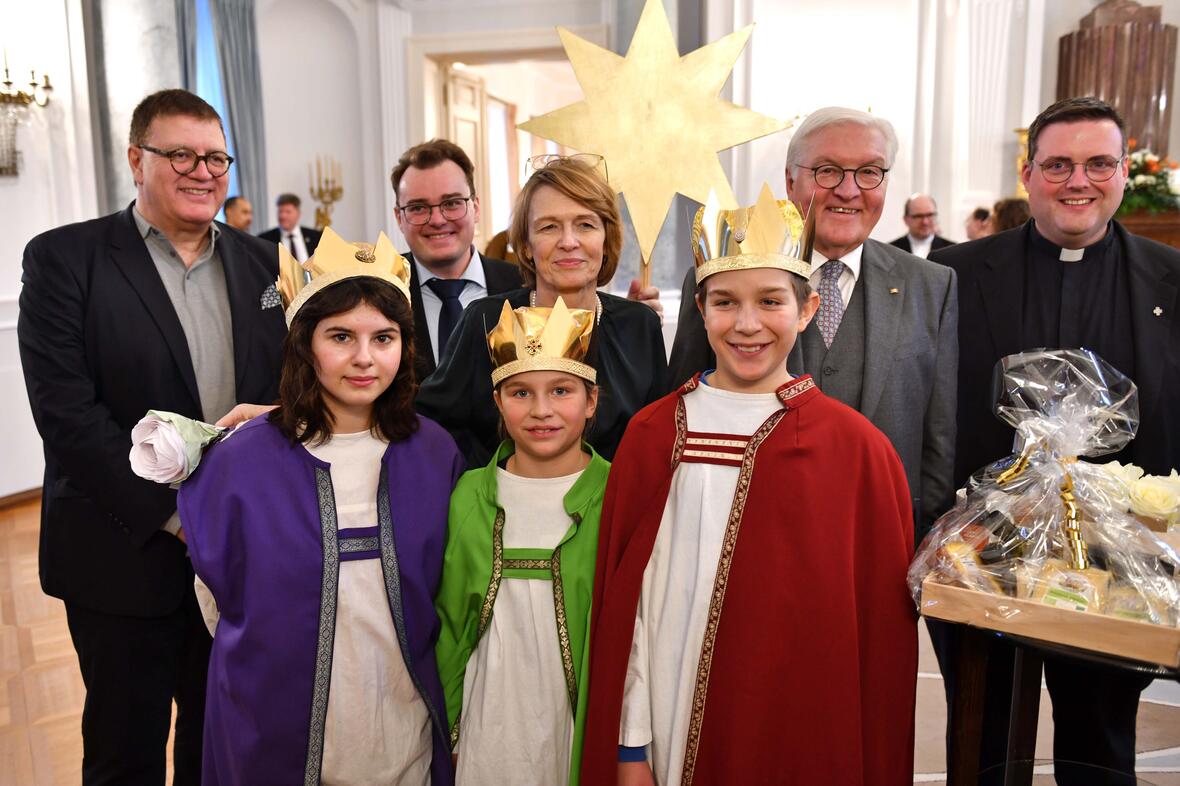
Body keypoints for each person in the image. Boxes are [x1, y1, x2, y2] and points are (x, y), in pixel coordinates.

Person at [581, 185, 918, 786]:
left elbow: (877, 648)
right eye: (724, 303)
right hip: (666, 711)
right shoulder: (655, 434)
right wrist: (629, 746)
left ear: (807, 309)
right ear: (700, 310)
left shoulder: (857, 451)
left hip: (798, 730)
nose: (747, 325)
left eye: (770, 301)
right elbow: (627, 612)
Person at [17, 88, 286, 785]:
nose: (203, 171)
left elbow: (292, 391)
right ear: (136, 159)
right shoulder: (65, 259)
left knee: (219, 743)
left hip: (236, 556)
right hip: (120, 553)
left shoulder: (266, 268)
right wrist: (175, 517)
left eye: (216, 157)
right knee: (123, 753)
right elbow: (67, 414)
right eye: (180, 155)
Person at [931, 96, 1180, 786]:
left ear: (1126, 171)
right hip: (977, 552)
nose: (1080, 181)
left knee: (1099, 744)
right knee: (979, 739)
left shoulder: (1173, 281)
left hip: (1119, 560)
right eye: (1059, 164)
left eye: (1099, 163)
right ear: (1028, 172)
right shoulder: (952, 273)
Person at [176, 228, 461, 785]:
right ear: (305, 343)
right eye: (341, 336)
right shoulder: (242, 462)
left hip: (400, 720)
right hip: (277, 722)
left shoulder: (433, 452)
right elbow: (215, 600)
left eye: (384, 338)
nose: (364, 358)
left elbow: (447, 590)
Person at [669, 106, 958, 541]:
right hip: (746, 535)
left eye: (869, 172)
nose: (848, 190)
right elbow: (683, 408)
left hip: (879, 539)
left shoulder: (931, 285)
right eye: (827, 171)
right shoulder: (724, 275)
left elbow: (937, 437)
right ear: (790, 180)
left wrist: (924, 541)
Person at [435, 298, 609, 786]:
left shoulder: (616, 496)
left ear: (591, 400)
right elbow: (450, 625)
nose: (541, 410)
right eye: (519, 392)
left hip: (573, 727)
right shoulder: (469, 494)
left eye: (561, 390)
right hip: (487, 725)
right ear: (497, 401)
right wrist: (444, 731)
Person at [417, 156, 669, 467]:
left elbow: (658, 439)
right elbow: (433, 424)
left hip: (615, 510)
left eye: (585, 225)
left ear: (607, 238)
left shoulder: (639, 324)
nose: (568, 242)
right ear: (525, 245)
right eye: (549, 227)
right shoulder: (487, 319)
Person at [391, 139, 524, 382]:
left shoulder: (525, 287)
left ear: (475, 208)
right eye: (418, 207)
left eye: (451, 203)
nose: (437, 220)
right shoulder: (380, 290)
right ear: (399, 218)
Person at [259, 192, 321, 262]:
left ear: (298, 214)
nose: (283, 216)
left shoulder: (316, 237)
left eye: (288, 212)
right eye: (280, 211)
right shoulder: (265, 239)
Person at [890, 192, 955, 257]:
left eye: (930, 215)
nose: (925, 222)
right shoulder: (891, 250)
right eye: (918, 216)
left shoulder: (951, 249)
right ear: (906, 220)